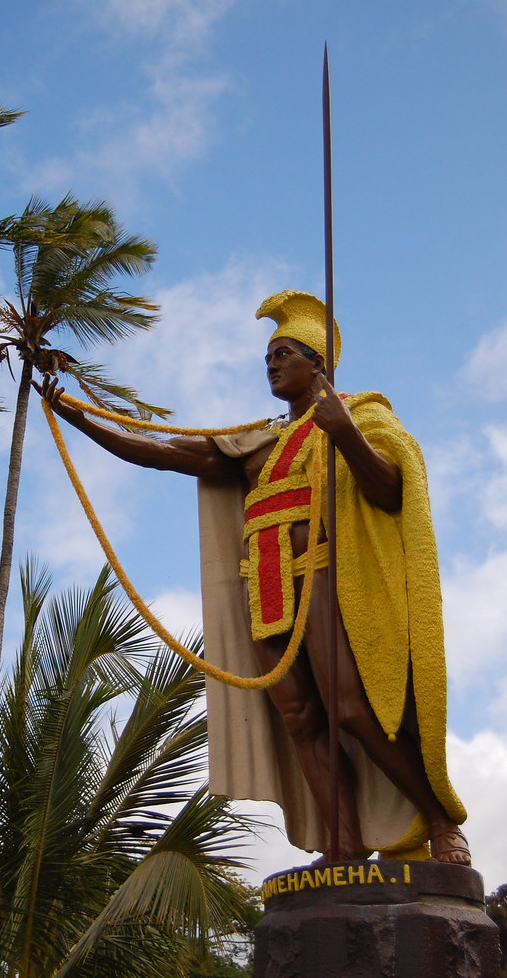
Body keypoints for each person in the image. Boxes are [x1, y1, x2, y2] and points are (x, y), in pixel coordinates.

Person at [36, 289, 469, 865]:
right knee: (300, 717)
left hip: (319, 574)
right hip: (263, 584)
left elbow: (391, 489)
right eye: (268, 355)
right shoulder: (255, 441)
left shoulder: (360, 416)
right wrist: (74, 415)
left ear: (318, 363)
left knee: (349, 708)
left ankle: (439, 822)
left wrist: (344, 433)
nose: (270, 363)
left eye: (283, 353)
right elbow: (160, 452)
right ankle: (342, 847)